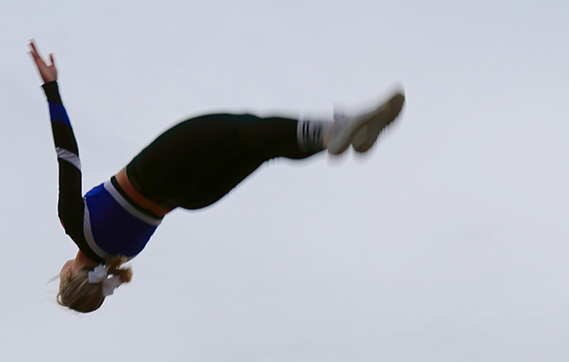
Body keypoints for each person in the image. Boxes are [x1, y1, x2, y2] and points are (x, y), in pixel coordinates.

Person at [28, 42, 404, 313]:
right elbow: (67, 154)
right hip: (160, 169)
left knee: (262, 147)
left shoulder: (120, 257)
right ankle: (335, 130)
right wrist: (52, 89)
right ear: (66, 275)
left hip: (193, 197)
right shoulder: (76, 224)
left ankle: (333, 135)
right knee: (246, 130)